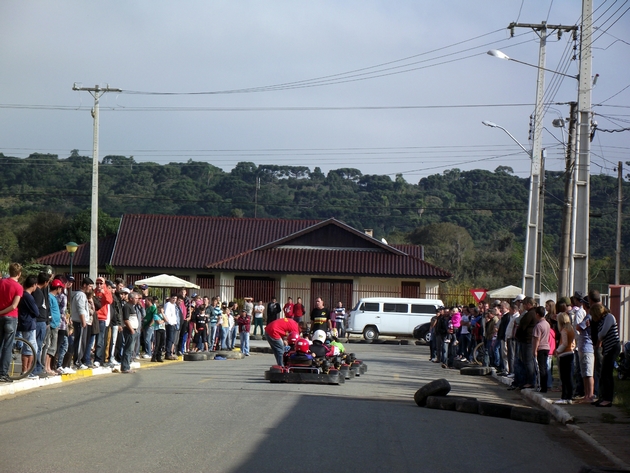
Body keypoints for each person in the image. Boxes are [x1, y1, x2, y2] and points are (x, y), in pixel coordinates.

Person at [593, 303, 620, 407]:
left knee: (607, 373)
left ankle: (608, 399)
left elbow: (602, 334)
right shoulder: (602, 320)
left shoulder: (609, 317)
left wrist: (599, 335)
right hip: (607, 348)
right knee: (603, 374)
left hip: (613, 346)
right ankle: (603, 397)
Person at [0, 263, 23, 383]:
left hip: (0, 317)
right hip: (11, 317)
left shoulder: (1, 282)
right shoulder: (18, 287)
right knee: (7, 346)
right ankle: (3, 373)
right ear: (19, 274)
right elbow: (14, 305)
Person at [17, 276, 39, 379]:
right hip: (28, 323)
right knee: (29, 348)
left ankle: (27, 370)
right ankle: (26, 371)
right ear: (33, 285)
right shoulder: (28, 296)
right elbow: (36, 311)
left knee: (32, 347)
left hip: (26, 323)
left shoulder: (23, 295)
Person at [70, 277, 94, 370]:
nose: (90, 288)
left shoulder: (83, 295)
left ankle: (79, 360)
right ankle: (77, 361)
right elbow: (81, 309)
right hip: (80, 322)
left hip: (83, 321)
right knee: (80, 342)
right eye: (90, 286)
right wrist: (83, 321)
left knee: (83, 342)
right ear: (84, 285)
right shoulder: (80, 295)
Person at [554, 312, 576, 404]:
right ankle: (569, 396)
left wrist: (557, 350)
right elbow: (573, 343)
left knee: (564, 377)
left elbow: (564, 343)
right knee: (569, 376)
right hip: (570, 353)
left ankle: (564, 397)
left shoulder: (564, 330)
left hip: (564, 354)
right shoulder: (571, 329)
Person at [44, 279, 64, 376]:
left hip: (55, 324)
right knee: (49, 346)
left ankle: (49, 367)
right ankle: (46, 367)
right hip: (52, 324)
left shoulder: (54, 297)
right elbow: (49, 310)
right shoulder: (49, 297)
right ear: (57, 288)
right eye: (60, 288)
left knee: (53, 347)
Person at [93, 277, 113, 367]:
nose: (99, 285)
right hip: (93, 317)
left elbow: (109, 301)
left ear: (104, 284)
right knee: (91, 339)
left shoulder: (106, 291)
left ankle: (98, 359)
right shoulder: (94, 291)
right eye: (97, 283)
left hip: (102, 318)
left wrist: (103, 292)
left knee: (100, 339)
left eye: (101, 283)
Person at [119, 292, 140, 373]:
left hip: (134, 330)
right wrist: (131, 330)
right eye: (136, 298)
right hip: (129, 331)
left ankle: (127, 365)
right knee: (128, 349)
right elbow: (126, 320)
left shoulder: (132, 307)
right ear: (131, 298)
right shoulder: (127, 306)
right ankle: (125, 367)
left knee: (131, 349)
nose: (137, 300)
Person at [532, 306, 550, 393]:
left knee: (540, 368)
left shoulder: (538, 326)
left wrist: (535, 350)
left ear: (537, 314)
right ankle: (544, 386)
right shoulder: (547, 324)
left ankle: (542, 386)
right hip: (546, 347)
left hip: (540, 347)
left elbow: (537, 339)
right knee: (545, 367)